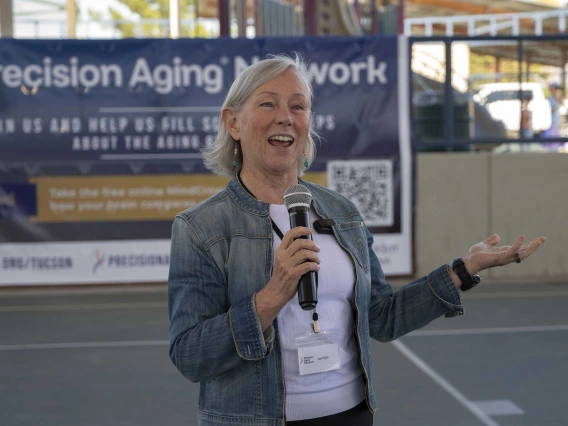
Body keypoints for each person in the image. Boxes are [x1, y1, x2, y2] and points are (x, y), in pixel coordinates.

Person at [168, 55, 546, 426]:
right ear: (232, 122)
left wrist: (463, 270)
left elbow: (382, 317)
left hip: (350, 414)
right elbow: (190, 355)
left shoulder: (341, 211)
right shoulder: (201, 227)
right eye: (268, 103)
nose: (286, 116)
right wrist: (272, 296)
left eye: (298, 106)